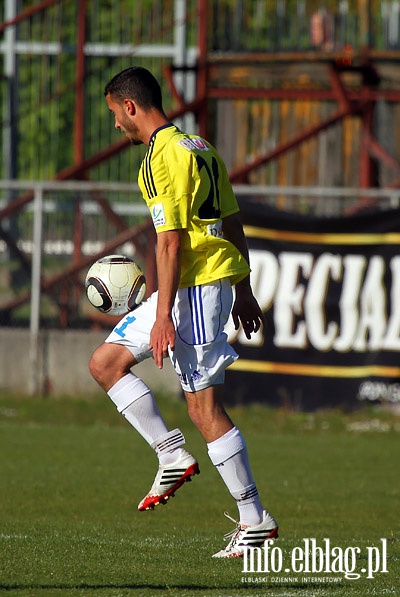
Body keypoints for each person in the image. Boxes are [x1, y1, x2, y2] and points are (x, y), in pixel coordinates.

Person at [89, 66, 278, 558]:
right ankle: (170, 453)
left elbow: (169, 242)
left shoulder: (158, 157)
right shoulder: (201, 147)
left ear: (131, 107)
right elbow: (233, 223)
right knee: (105, 363)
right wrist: (245, 289)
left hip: (193, 290)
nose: (115, 125)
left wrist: (163, 314)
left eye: (114, 114)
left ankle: (254, 517)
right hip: (207, 283)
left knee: (203, 408)